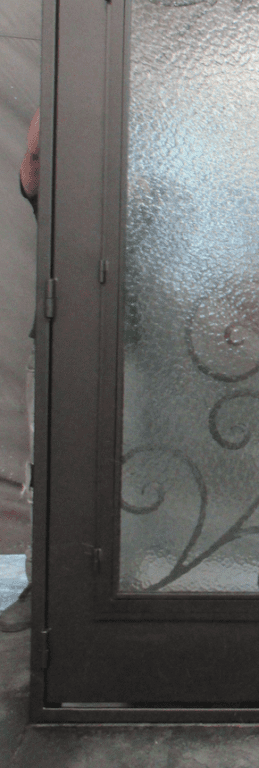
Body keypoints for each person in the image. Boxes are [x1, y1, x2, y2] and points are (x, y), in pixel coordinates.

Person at [0, 107, 39, 632]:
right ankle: (43, 583)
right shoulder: (64, 181)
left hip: (138, 349)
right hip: (58, 341)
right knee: (49, 465)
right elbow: (32, 166)